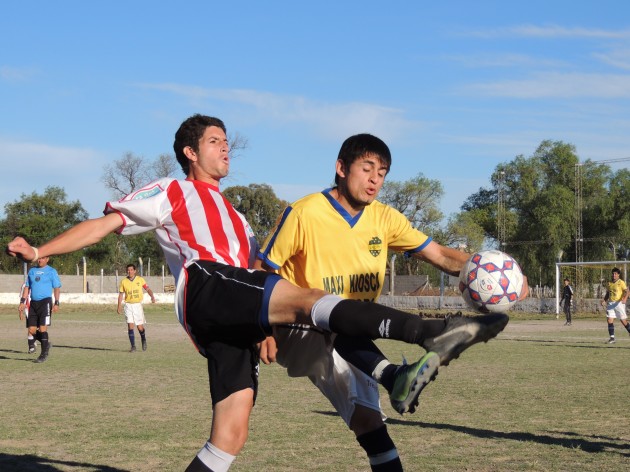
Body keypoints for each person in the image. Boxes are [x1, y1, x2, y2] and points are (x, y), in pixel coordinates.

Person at [7, 114, 509, 472]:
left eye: (228, 142)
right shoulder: (172, 192)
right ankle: (428, 333)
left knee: (231, 434)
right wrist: (40, 251)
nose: (226, 148)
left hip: (235, 311)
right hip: (207, 286)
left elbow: (255, 270)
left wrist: (262, 325)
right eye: (215, 141)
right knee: (307, 298)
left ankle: (394, 374)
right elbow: (104, 225)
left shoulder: (239, 216)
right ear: (189, 151)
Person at [256, 133, 527, 472]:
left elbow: (440, 255)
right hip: (299, 326)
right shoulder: (304, 213)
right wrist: (261, 329)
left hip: (357, 337)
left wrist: (503, 274)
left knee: (370, 424)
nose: (374, 180)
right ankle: (394, 373)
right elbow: (262, 271)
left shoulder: (384, 218)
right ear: (341, 168)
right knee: (336, 315)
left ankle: (393, 377)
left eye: (382, 173)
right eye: (367, 169)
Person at [18, 256, 61, 363]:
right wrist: (22, 302)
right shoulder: (32, 271)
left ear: (47, 259)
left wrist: (56, 302)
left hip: (45, 303)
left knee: (42, 329)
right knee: (31, 330)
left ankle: (43, 354)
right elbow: (27, 287)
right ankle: (45, 343)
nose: (40, 260)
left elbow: (56, 287)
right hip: (33, 304)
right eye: (39, 258)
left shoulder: (51, 271)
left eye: (43, 258)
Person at [117, 263, 156, 352]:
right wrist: (119, 306)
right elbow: (121, 294)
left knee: (140, 327)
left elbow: (148, 289)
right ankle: (133, 346)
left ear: (135, 271)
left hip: (137, 305)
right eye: (128, 270)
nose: (129, 271)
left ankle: (143, 338)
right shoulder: (123, 282)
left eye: (131, 270)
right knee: (130, 326)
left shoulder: (140, 280)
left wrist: (152, 296)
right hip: (128, 306)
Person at [601, 267, 629, 344]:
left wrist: (625, 299)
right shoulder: (610, 283)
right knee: (609, 320)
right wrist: (604, 300)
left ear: (618, 275)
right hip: (611, 303)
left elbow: (627, 291)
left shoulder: (621, 282)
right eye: (613, 273)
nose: (614, 275)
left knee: (623, 321)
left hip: (619, 303)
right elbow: (608, 293)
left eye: (615, 274)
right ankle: (612, 338)